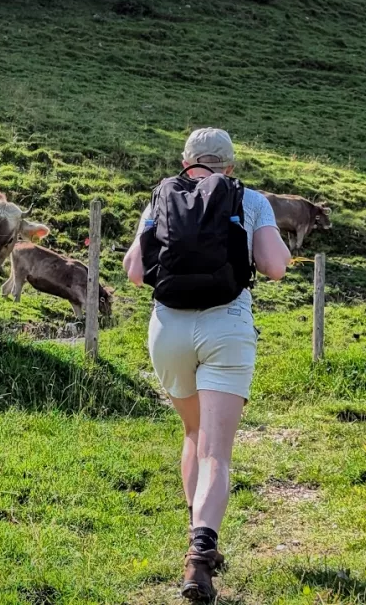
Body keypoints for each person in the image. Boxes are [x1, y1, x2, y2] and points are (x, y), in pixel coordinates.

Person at [123, 128, 290, 601]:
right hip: (225, 326)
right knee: (216, 451)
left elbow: (135, 272)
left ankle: (197, 537)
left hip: (169, 330)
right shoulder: (249, 198)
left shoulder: (162, 198)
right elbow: (274, 266)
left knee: (193, 434)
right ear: (230, 167)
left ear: (186, 161)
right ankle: (200, 556)